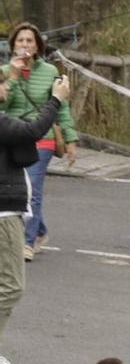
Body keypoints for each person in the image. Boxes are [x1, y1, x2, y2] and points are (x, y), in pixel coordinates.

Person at [0, 70, 69, 364]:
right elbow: (32, 131)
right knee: (12, 286)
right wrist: (56, 100)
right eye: (1, 82)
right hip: (3, 215)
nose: (6, 86)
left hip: (8, 211)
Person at [5, 22, 76, 257]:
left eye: (29, 41)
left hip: (42, 135)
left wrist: (70, 138)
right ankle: (41, 228)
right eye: (20, 40)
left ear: (37, 46)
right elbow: (4, 103)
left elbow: (61, 106)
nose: (25, 45)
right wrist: (13, 77)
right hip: (14, 136)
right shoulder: (5, 70)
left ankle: (28, 241)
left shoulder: (48, 72)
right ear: (13, 44)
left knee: (33, 188)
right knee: (22, 189)